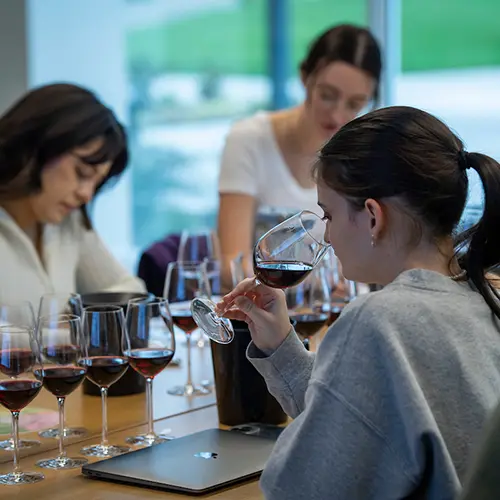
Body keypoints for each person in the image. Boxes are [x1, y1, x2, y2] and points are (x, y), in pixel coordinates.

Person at [217, 106, 500, 499]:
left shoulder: (379, 320)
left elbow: (298, 487)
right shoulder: (483, 295)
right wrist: (281, 345)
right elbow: (354, 427)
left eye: (329, 215)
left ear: (372, 217)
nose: (327, 238)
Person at [217, 24, 382, 286]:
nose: (338, 115)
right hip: (273, 310)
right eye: (327, 96)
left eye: (354, 104)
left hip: (342, 313)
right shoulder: (249, 140)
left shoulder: (366, 156)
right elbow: (231, 264)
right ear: (305, 78)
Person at [0, 83, 146, 306]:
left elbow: (130, 291)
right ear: (35, 148)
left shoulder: (69, 222)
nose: (86, 195)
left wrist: (71, 317)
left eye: (96, 183)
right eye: (82, 173)